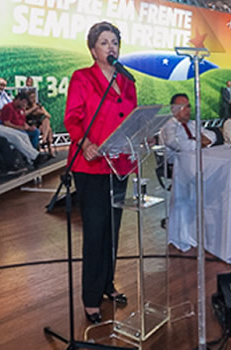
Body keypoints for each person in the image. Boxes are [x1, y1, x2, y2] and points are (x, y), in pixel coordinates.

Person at [64, 21, 136, 324]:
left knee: (112, 229)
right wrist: (86, 142)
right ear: (93, 49)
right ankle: (90, 297)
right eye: (105, 42)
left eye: (115, 42)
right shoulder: (83, 78)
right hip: (90, 164)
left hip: (119, 164)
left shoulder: (127, 80)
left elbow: (131, 117)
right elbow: (73, 118)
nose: (111, 47)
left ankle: (107, 284)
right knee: (94, 232)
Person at [0, 91, 49, 168]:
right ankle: (35, 156)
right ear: (18, 100)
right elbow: (6, 122)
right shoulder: (8, 107)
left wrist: (28, 127)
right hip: (0, 127)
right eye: (24, 102)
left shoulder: (21, 109)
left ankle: (33, 158)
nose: (24, 105)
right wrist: (20, 128)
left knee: (27, 134)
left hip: (11, 128)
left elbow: (23, 121)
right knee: (17, 137)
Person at [161, 93, 216, 166]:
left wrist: (205, 141)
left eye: (188, 106)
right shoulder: (169, 126)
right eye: (182, 107)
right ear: (173, 109)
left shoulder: (192, 123)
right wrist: (200, 143)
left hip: (198, 161)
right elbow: (176, 144)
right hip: (178, 167)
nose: (187, 110)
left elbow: (212, 135)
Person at [25, 90, 55, 155]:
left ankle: (44, 140)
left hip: (40, 125)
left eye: (34, 97)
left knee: (46, 120)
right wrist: (33, 110)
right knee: (49, 129)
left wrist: (42, 112)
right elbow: (24, 114)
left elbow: (48, 115)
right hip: (31, 124)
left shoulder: (39, 105)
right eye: (31, 98)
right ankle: (49, 147)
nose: (33, 99)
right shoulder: (26, 106)